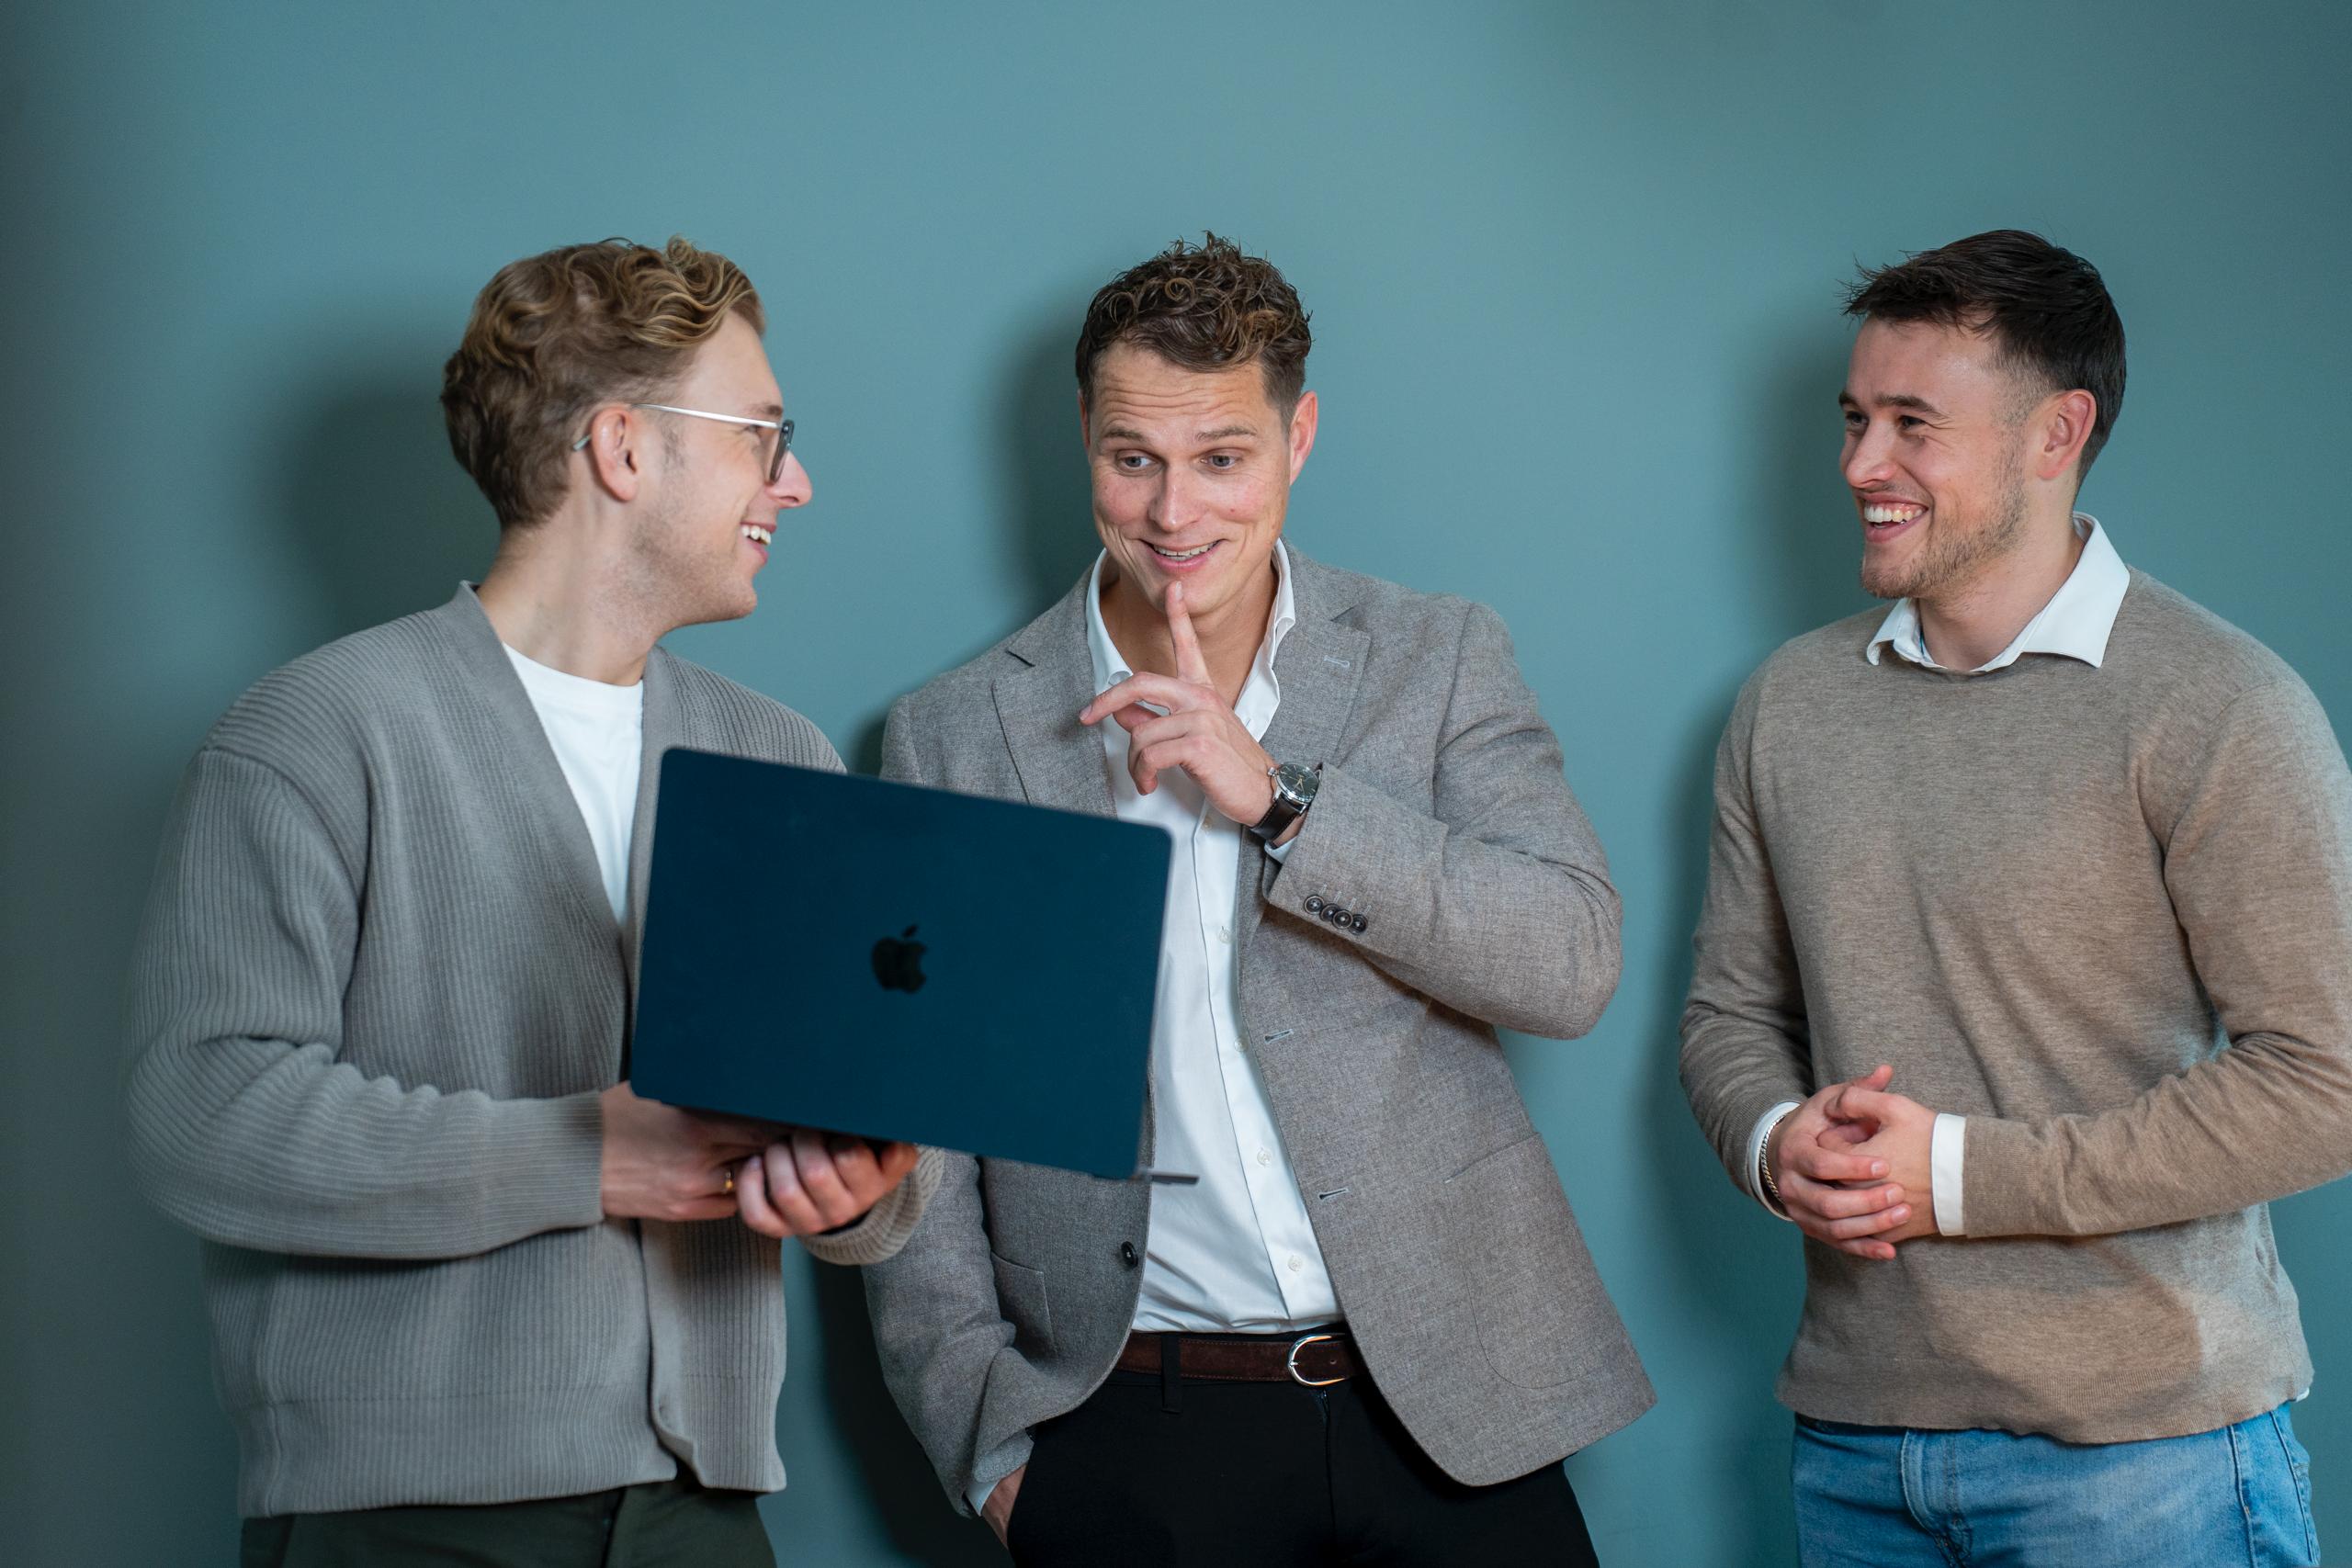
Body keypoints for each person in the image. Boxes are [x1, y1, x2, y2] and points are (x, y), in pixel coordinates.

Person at [125, 235, 936, 1567]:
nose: (794, 481)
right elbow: (199, 1114)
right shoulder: (313, 734)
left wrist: (851, 1186)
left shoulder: (782, 761)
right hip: (401, 1522)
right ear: (623, 448)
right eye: (761, 435)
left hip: (704, 1515)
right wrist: (586, 1153)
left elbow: (880, 1163)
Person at [861, 234, 1651, 1565]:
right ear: (1084, 437)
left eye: (1222, 458)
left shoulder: (1438, 658)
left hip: (1452, 1420)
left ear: (1300, 440)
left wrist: (1281, 799)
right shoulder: (952, 735)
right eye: (1134, 460)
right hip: (1131, 1436)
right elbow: (916, 1126)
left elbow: (1568, 961)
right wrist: (990, 1448)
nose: (1175, 515)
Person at [1679, 229, 2347, 1567]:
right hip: (1859, 1448)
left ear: (2057, 435)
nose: (1861, 466)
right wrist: (1770, 1142)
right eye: (1857, 420)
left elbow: (2326, 1081)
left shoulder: (2221, 707)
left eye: (1913, 426)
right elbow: (1731, 1013)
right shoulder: (1788, 708)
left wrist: (1959, 1176)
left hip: (2150, 1465)